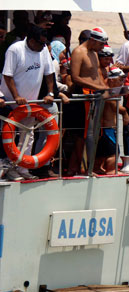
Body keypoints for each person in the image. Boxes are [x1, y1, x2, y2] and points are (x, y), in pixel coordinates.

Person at [0, 25, 56, 181]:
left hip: (31, 103)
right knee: (9, 137)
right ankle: (9, 169)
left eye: (44, 44)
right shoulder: (15, 50)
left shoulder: (42, 49)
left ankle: (22, 168)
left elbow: (49, 73)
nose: (43, 47)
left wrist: (50, 93)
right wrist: (16, 96)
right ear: (31, 40)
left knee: (28, 135)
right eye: (40, 44)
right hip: (10, 103)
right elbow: (7, 75)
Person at [68, 26, 109, 175]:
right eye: (100, 44)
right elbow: (76, 77)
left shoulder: (93, 53)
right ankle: (84, 168)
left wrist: (104, 87)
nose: (102, 48)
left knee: (93, 133)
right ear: (92, 40)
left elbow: (95, 75)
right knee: (82, 135)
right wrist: (97, 87)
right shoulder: (79, 52)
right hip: (84, 95)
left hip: (94, 96)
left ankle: (83, 167)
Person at [94, 67, 129, 175]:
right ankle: (111, 170)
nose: (122, 82)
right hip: (107, 128)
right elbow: (115, 107)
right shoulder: (109, 91)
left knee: (101, 153)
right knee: (114, 153)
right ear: (112, 79)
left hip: (102, 128)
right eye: (120, 79)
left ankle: (97, 168)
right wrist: (125, 113)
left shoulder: (105, 88)